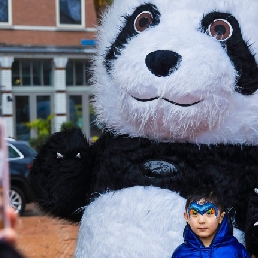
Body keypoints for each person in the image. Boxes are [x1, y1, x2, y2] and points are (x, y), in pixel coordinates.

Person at [172, 187, 251, 258]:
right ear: (187, 217)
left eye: (209, 213)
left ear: (221, 217)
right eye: (195, 213)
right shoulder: (180, 254)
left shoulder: (237, 252)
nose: (201, 221)